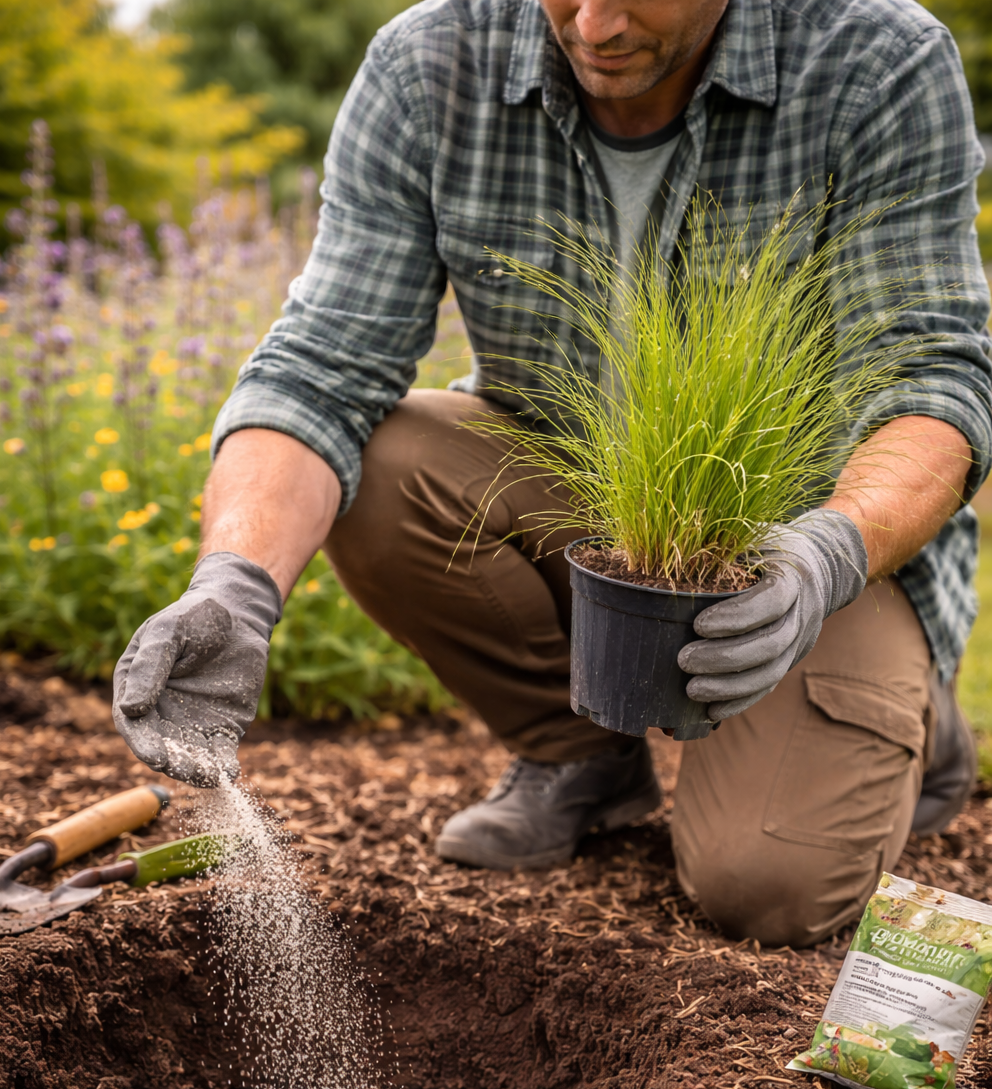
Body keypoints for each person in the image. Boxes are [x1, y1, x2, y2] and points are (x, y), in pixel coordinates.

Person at [113, 0, 992, 948]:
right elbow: (320, 370)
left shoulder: (876, 62)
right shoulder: (429, 64)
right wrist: (235, 586)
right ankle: (582, 757)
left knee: (767, 887)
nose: (595, 25)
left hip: (808, 547)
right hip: (576, 505)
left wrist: (825, 560)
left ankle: (912, 714)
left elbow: (931, 380)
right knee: (384, 457)